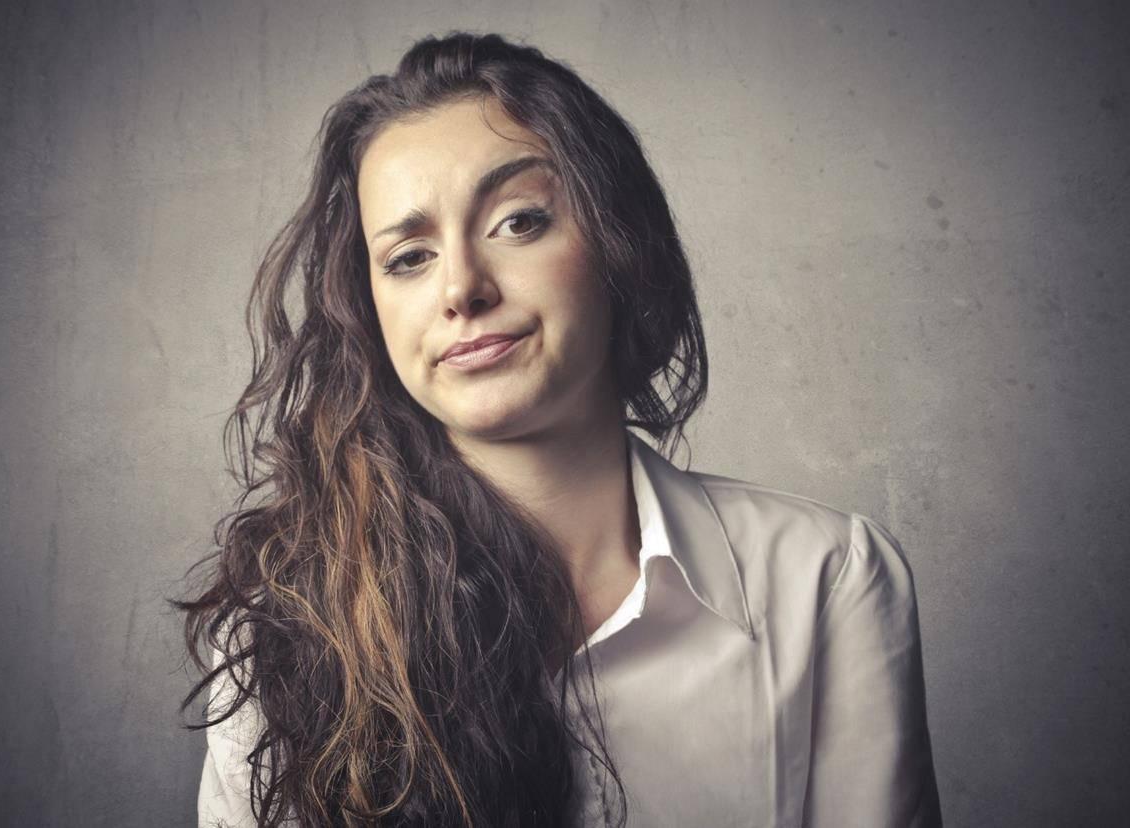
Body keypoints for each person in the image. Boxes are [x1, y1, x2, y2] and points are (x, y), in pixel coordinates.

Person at [176, 31, 942, 828]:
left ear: (619, 242)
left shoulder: (826, 578)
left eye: (518, 221)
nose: (461, 288)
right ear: (369, 312)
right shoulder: (285, 627)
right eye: (408, 258)